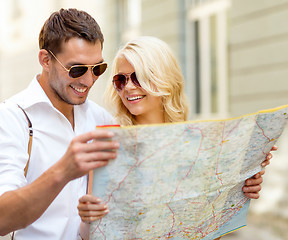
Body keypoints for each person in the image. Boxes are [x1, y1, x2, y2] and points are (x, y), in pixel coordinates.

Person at [77, 36, 277, 239]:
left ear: (163, 79)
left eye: (138, 77)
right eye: (121, 80)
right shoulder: (109, 147)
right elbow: (90, 234)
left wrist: (244, 183)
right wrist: (86, 219)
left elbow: (209, 227)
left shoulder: (199, 147)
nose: (128, 87)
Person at [0, 8, 120, 240]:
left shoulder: (99, 119)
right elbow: (1, 220)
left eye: (98, 69)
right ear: (45, 60)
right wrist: (63, 170)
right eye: (77, 69)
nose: (88, 80)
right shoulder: (8, 119)